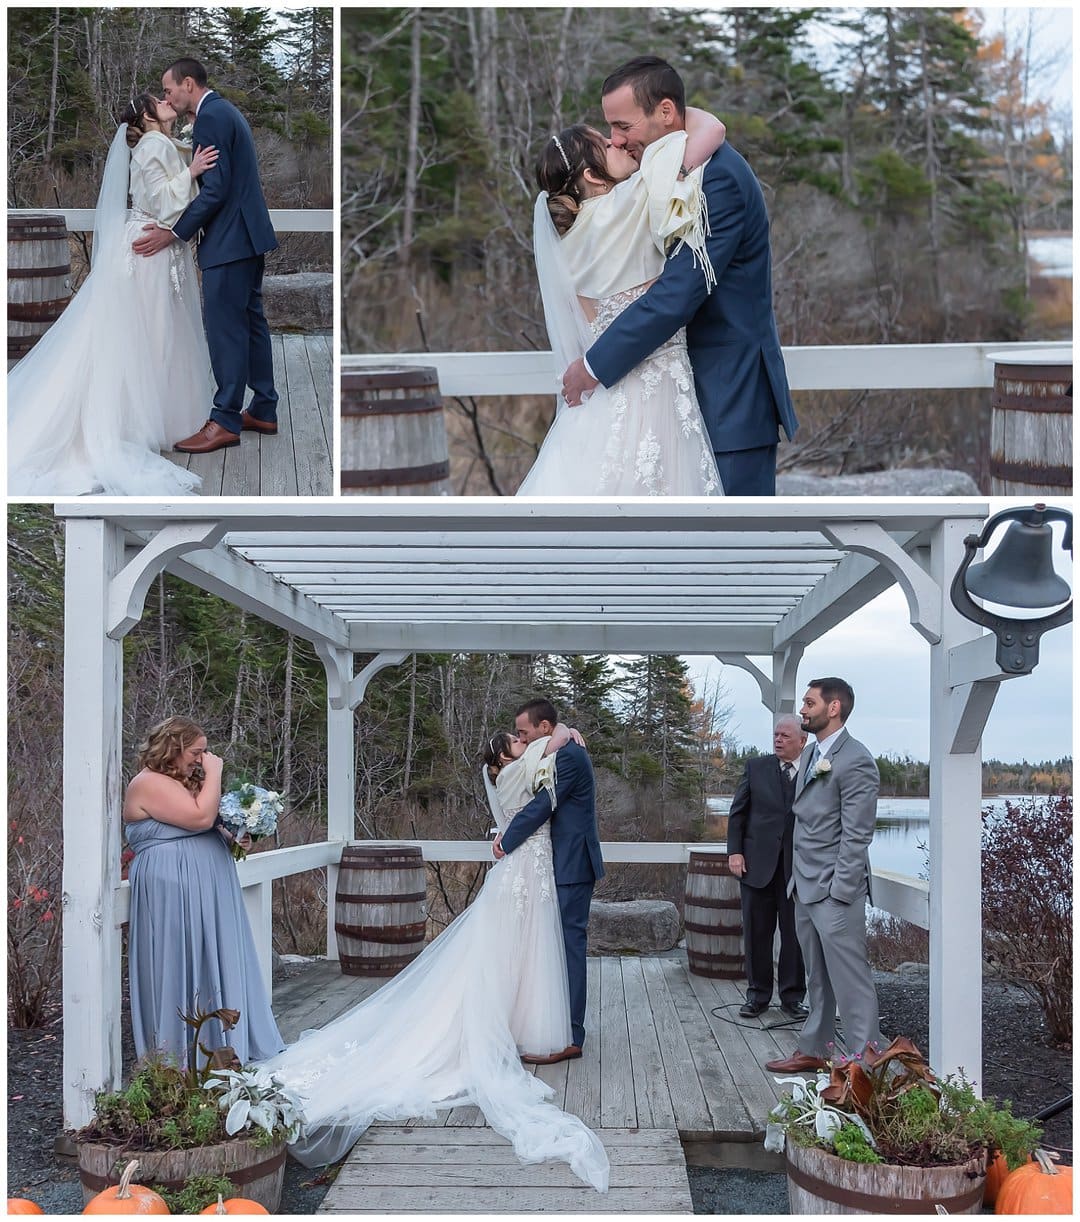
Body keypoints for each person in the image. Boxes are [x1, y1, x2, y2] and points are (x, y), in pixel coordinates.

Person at [259, 719, 609, 1193]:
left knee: (524, 951)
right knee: (513, 949)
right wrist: (563, 737)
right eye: (518, 741)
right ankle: (505, 1024)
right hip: (525, 864)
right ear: (506, 758)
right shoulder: (518, 774)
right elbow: (539, 801)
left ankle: (519, 1021)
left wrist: (565, 732)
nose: (526, 743)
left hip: (532, 868)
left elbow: (551, 763)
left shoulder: (521, 767)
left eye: (527, 736)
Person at [561, 56, 798, 495]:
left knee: (734, 555)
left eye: (623, 126)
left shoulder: (718, 179)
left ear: (666, 113)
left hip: (729, 400)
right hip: (675, 406)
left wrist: (594, 365)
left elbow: (679, 293)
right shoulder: (667, 171)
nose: (616, 139)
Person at [7, 95, 216, 495]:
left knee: (144, 329)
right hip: (148, 248)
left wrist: (188, 162)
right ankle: (141, 418)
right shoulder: (154, 144)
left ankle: (144, 413)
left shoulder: (160, 143)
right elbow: (158, 199)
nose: (167, 100)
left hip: (150, 243)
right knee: (154, 330)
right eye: (159, 100)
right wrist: (191, 171)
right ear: (146, 116)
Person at [519, 117, 724, 495]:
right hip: (658, 401)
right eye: (608, 144)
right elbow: (712, 128)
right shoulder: (631, 201)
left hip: (603, 402)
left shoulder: (565, 245)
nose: (621, 143)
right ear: (593, 176)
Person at [133, 58, 279, 454]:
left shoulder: (210, 118)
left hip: (229, 241)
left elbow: (214, 191)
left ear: (189, 84)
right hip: (248, 236)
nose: (167, 97)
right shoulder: (224, 111)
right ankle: (263, 407)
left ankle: (227, 419)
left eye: (169, 90)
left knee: (226, 330)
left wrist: (174, 233)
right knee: (250, 323)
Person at [123, 716, 284, 1066]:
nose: (203, 758)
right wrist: (216, 773)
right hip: (174, 888)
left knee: (214, 958)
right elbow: (198, 819)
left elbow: (206, 826)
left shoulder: (182, 784)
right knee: (180, 959)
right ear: (174, 748)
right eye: (197, 751)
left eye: (205, 752)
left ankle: (223, 1045)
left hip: (209, 886)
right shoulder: (147, 782)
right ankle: (180, 1054)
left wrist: (238, 835)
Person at [766, 679, 885, 1073]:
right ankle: (815, 1048)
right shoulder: (814, 752)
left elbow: (856, 834)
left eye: (809, 702)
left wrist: (840, 892)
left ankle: (865, 1062)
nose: (803, 708)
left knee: (851, 981)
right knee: (817, 978)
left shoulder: (856, 760)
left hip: (835, 892)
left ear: (833, 708)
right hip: (804, 885)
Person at [494, 699, 605, 1060]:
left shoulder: (569, 756)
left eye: (524, 733)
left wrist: (506, 842)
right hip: (555, 863)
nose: (521, 740)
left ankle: (572, 1037)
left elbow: (543, 805)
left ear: (543, 727)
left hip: (573, 865)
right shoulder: (554, 748)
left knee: (570, 949)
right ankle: (545, 1023)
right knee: (548, 948)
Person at [727, 715, 808, 1020]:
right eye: (776, 734)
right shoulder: (756, 767)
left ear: (802, 741)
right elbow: (738, 814)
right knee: (758, 935)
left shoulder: (814, 772)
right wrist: (734, 852)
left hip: (796, 870)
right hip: (756, 867)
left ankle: (792, 998)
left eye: (786, 736)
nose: (778, 740)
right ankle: (757, 996)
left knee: (794, 937)